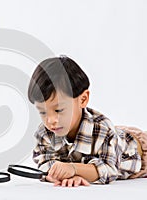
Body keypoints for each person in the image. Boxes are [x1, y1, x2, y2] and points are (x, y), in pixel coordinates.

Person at [27, 56, 147, 187]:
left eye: (59, 110)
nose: (50, 121)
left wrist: (74, 169)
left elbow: (110, 170)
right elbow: (45, 162)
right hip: (109, 138)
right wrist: (61, 175)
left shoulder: (103, 129)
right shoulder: (45, 132)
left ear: (83, 99)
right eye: (43, 112)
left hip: (136, 150)